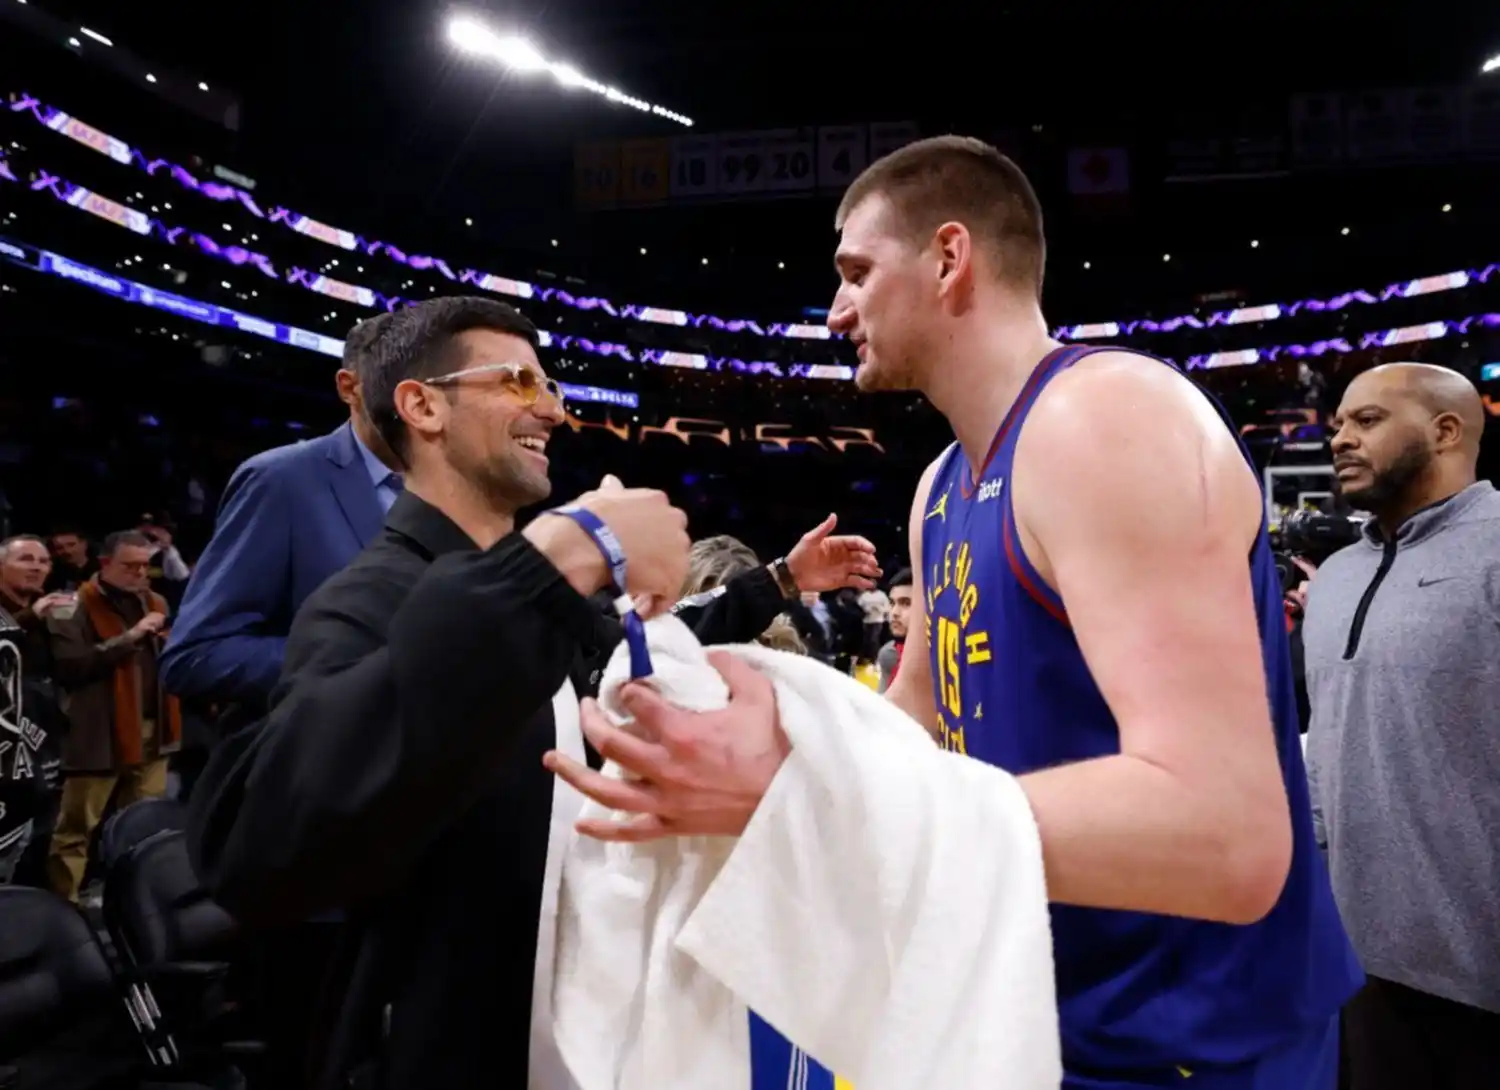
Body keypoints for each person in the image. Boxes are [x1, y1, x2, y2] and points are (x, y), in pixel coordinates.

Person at [547, 136, 1362, 1089]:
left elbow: (1227, 836)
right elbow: (925, 725)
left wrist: (804, 793)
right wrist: (749, 739)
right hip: (1021, 996)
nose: (837, 309)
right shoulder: (940, 487)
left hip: (1193, 1037)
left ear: (947, 257)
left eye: (855, 272)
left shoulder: (1103, 419)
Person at [186, 295, 876, 1090]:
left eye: (548, 385)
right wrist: (560, 552)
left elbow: (626, 651)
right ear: (422, 405)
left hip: (573, 1035)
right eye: (517, 381)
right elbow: (255, 847)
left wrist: (779, 581)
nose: (550, 408)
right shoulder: (368, 597)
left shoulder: (538, 599)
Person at [1302, 363, 1500, 1089]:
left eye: (1368, 421)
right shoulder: (1338, 578)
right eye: (1339, 425)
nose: (1341, 439)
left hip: (1481, 974)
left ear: (1446, 430)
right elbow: (1328, 748)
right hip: (1360, 964)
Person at [161, 312, 399, 718]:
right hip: (319, 762)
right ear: (350, 387)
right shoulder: (283, 478)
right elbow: (196, 656)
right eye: (404, 380)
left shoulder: (460, 489)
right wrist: (365, 664)